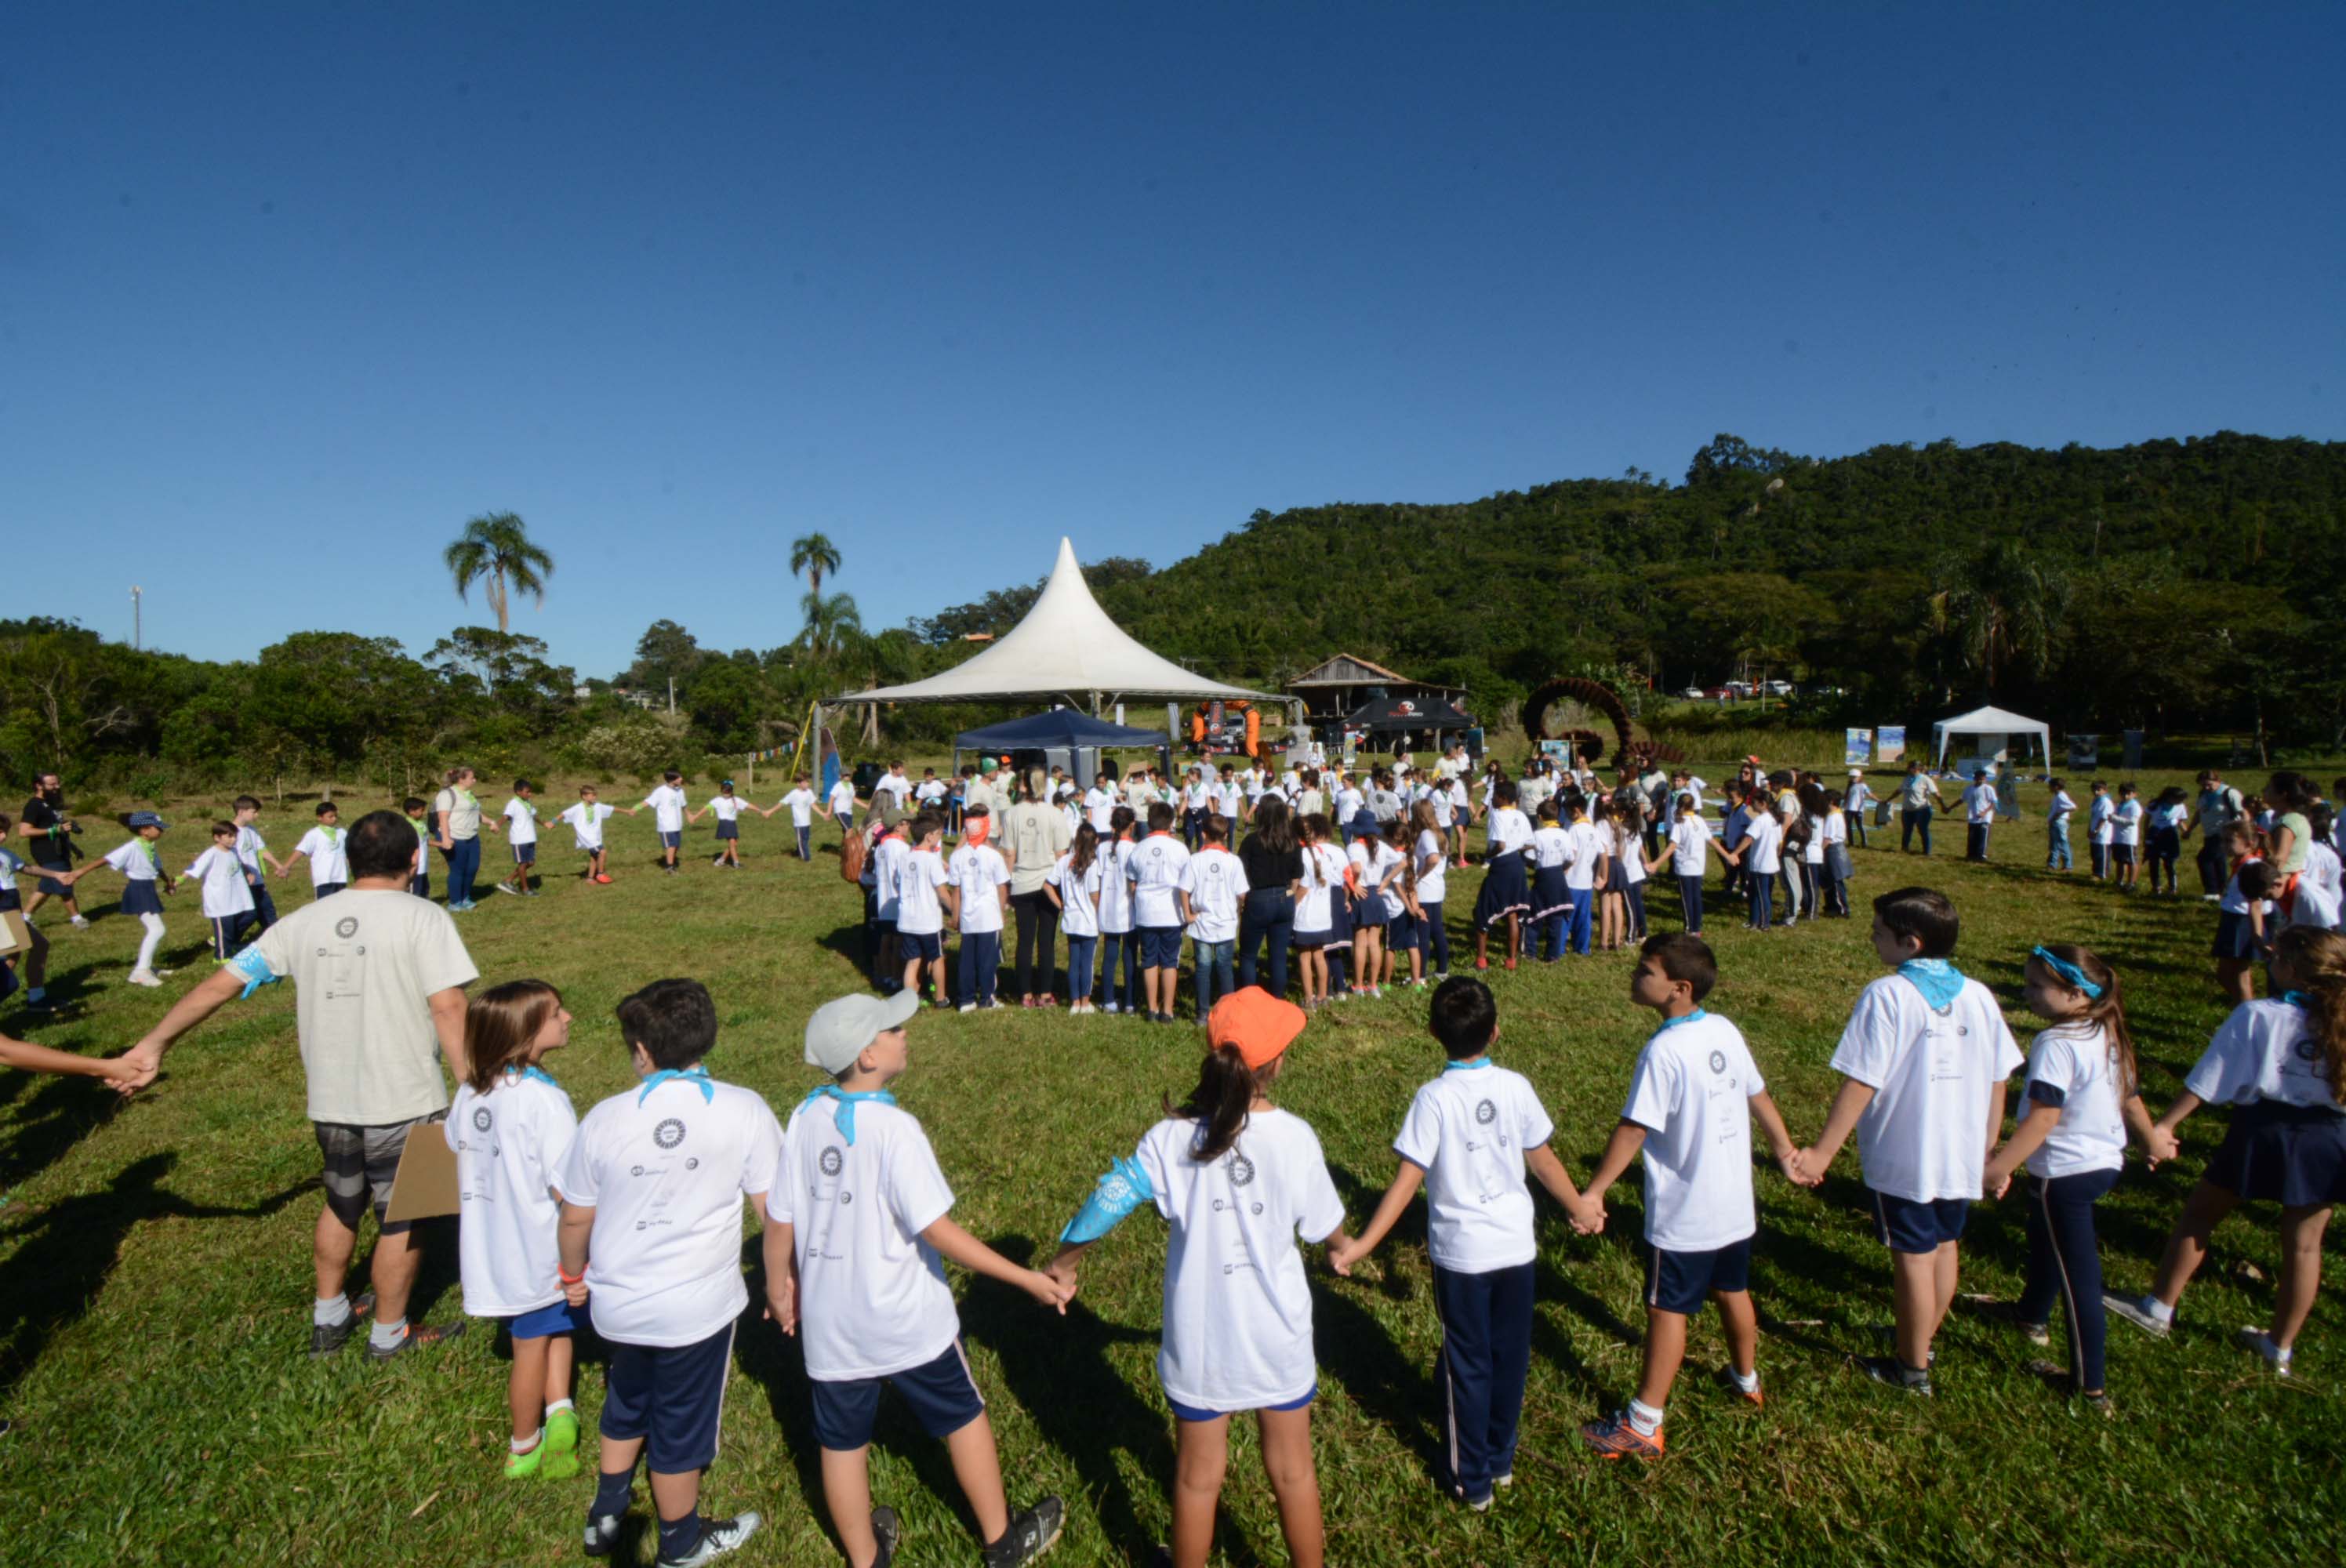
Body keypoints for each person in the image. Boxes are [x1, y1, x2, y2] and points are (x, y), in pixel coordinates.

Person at [118, 809, 477, 1358]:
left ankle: (329, 1316)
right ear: (414, 859)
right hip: (404, 1098)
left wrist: (154, 1043)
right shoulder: (423, 917)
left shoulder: (302, 920)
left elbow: (219, 986)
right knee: (404, 1215)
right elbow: (449, 1005)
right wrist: (472, 1082)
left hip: (329, 1100)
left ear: (350, 860)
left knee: (340, 1203)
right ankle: (389, 1334)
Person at [768, 992, 1070, 1568]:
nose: (905, 1031)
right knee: (962, 1414)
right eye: (892, 1028)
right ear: (867, 1058)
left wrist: (778, 1288)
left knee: (841, 1442)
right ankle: (1003, 1543)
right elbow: (939, 1233)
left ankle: (865, 1559)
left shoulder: (805, 1116)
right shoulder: (896, 1130)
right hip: (906, 1321)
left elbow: (780, 1218)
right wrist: (1026, 1280)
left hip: (833, 1328)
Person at [1047, 991, 1348, 1568]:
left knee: (1195, 1479)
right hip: (1278, 1337)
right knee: (1292, 1470)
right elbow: (1327, 1229)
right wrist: (1345, 1248)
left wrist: (1064, 1262)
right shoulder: (1296, 1138)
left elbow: (1110, 1198)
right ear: (1277, 1063)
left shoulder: (1170, 1139)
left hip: (1200, 1345)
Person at [1329, 978, 1592, 1501]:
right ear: (1495, 1032)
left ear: (1432, 1033)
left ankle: (1471, 1481)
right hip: (1517, 1250)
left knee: (1466, 1364)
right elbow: (1543, 1160)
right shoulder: (1516, 1087)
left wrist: (1361, 1245)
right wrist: (1579, 1205)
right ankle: (1500, 1459)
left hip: (1463, 1258)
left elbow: (1407, 1183)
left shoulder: (1433, 1099)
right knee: (1510, 1356)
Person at [556, 979, 775, 1565]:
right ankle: (681, 1541)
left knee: (626, 1399)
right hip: (696, 1312)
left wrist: (572, 1275)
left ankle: (606, 1513)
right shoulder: (744, 1108)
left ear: (644, 1053)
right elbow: (773, 1212)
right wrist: (783, 1282)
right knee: (680, 1425)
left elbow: (576, 1218)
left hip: (618, 1305)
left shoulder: (604, 1118)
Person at [1573, 936, 1809, 1457]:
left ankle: (1644, 1421)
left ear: (1678, 989)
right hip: (1734, 1208)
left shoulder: (1663, 1051)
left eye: (1645, 971)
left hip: (1685, 1216)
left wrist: (1593, 1190)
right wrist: (1785, 1149)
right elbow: (1757, 1094)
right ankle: (1747, 1380)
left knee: (1666, 1309)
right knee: (1733, 1290)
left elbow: (1634, 1129)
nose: (1635, 976)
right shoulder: (1723, 1029)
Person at [1792, 887, 2021, 1394]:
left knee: (1912, 1259)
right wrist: (1989, 1151)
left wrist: (1821, 1153)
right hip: (1960, 1154)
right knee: (1943, 1246)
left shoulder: (1886, 994)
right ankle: (1922, 1337)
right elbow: (1998, 1078)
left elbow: (1861, 1080)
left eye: (1878, 934)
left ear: (1910, 943)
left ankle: (1911, 1367)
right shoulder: (1979, 995)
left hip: (1907, 1156)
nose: (1872, 940)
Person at [2105, 925, 2346, 1379]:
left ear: (2292, 968)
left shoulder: (2259, 1015)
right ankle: (2280, 1348)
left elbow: (2208, 1078)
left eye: (2275, 958)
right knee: (2305, 1247)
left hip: (2262, 1129)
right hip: (2328, 1138)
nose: (2268, 962)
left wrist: (2166, 1125)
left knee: (2199, 1217)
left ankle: (2158, 1307)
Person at [1978, 946, 2163, 1413]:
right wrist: (2149, 1142)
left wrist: (1997, 1168)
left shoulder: (2055, 1044)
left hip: (2064, 1171)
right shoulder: (2105, 1029)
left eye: (2036, 986)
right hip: (2102, 1162)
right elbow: (2131, 1095)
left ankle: (2089, 1387)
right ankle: (2029, 1315)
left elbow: (2043, 1119)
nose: (2026, 993)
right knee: (2046, 1238)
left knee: (2079, 1277)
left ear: (2075, 992)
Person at [447, 979, 584, 1478]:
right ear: (523, 1037)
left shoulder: (469, 1092)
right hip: (538, 1250)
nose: (567, 1018)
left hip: (491, 1246)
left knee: (551, 1328)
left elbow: (452, 1142)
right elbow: (568, 1185)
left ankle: (560, 1409)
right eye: (555, 1014)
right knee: (529, 1346)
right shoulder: (543, 1101)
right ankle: (524, 1447)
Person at [59, 811, 176, 985]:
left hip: (147, 889)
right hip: (139, 890)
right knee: (157, 929)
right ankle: (140, 972)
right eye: (158, 828)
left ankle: (146, 967)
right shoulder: (132, 847)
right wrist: (79, 873)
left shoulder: (148, 845)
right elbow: (105, 860)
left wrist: (168, 882)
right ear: (144, 830)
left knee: (156, 929)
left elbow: (157, 867)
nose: (162, 831)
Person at [1003, 770, 1073, 1010]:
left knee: (1024, 940)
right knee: (1046, 941)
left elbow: (1009, 853)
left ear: (1023, 786)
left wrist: (1007, 884)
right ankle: (1045, 993)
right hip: (1049, 882)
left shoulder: (1012, 814)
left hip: (1022, 881)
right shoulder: (1055, 814)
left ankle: (1025, 994)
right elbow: (1061, 854)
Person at [1128, 802, 1193, 1025]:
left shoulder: (1139, 847)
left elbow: (1132, 884)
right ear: (1172, 822)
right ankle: (1168, 1010)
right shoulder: (1180, 848)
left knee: (1148, 960)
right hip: (1171, 912)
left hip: (1146, 911)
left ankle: (1152, 1008)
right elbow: (1188, 883)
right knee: (1169, 961)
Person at [1181, 815, 1248, 1022]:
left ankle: (1202, 1013)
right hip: (1225, 921)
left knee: (1203, 967)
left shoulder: (1195, 859)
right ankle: (1227, 1012)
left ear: (1203, 835)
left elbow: (1184, 889)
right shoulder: (1233, 861)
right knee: (1225, 967)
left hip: (1201, 920)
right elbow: (1242, 893)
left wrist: (1188, 914)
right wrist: (1238, 911)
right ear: (1227, 835)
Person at [1236, 797, 1304, 1000]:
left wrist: (1242, 902)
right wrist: (1290, 895)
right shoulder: (1292, 841)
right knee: (1278, 956)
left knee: (1248, 955)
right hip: (1284, 898)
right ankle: (1278, 999)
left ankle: (1249, 999)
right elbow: (1297, 876)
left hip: (1258, 898)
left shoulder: (1252, 841)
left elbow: (1241, 874)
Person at [948, 805, 1010, 1012]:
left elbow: (955, 890)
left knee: (966, 958)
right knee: (988, 959)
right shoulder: (994, 856)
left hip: (967, 914)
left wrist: (955, 915)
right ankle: (986, 997)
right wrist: (1002, 912)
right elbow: (1002, 887)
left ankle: (966, 999)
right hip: (989, 915)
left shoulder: (957, 856)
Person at [1044, 822, 1105, 1015]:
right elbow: (1095, 895)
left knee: (1073, 962)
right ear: (1095, 842)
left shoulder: (1065, 861)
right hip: (1088, 921)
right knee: (1087, 963)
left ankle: (1075, 1002)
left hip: (1071, 919)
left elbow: (1047, 885)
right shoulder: (1093, 864)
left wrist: (1061, 905)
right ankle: (1086, 1003)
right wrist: (1099, 912)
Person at [893, 814, 953, 1008]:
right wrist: (954, 911)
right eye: (938, 834)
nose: (939, 838)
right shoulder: (931, 860)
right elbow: (942, 892)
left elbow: (898, 883)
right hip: (928, 921)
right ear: (929, 836)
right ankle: (941, 998)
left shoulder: (904, 857)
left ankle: (909, 1002)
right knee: (937, 958)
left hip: (907, 919)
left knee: (913, 961)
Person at [1471, 780, 1531, 971]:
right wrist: (1516, 847)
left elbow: (1501, 845)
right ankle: (1511, 960)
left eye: (1494, 795)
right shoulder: (1520, 815)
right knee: (1512, 911)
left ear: (1503, 798)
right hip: (1517, 863)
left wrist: (1488, 855)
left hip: (1502, 864)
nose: (1492, 799)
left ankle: (1481, 960)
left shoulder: (1498, 815)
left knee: (1483, 911)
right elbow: (1530, 843)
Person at [16, 771, 87, 927]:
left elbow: (58, 829)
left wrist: (74, 847)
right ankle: (76, 918)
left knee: (47, 886)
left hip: (60, 850)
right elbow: (24, 831)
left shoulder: (50, 803)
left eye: (57, 783)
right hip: (47, 852)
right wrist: (53, 830)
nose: (57, 787)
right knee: (65, 882)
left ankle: (25, 918)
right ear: (39, 786)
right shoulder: (34, 805)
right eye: (52, 784)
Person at [1343, 813, 1399, 1000]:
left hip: (1362, 894)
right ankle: (1374, 984)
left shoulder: (1354, 847)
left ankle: (1358, 985)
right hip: (1376, 893)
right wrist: (1385, 882)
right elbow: (1403, 861)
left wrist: (1354, 884)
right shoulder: (1381, 846)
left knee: (1360, 943)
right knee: (1374, 943)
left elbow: (1356, 869)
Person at [0, 816, 53, 1009]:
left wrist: (57, 875)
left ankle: (33, 997)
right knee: (39, 945)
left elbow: (27, 868)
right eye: (0, 831)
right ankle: (36, 999)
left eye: (6, 831)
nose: (4, 836)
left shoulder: (5, 854)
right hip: (4, 912)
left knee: (14, 954)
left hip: (10, 911)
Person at [183, 822, 255, 961]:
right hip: (220, 899)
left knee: (251, 915)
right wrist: (178, 881)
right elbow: (194, 868)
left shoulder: (233, 851)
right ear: (217, 838)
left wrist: (248, 872)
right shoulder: (212, 853)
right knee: (225, 926)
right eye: (229, 836)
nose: (233, 839)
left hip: (237, 896)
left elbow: (240, 863)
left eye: (235, 836)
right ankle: (222, 956)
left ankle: (228, 942)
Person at [1095, 807, 1140, 1015]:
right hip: (1128, 908)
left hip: (1107, 907)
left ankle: (1108, 1000)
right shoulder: (1134, 849)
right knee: (1129, 955)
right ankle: (1130, 1002)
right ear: (1132, 825)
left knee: (1110, 955)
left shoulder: (1102, 848)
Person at [1650, 791, 1712, 936]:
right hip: (1698, 866)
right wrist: (1728, 855)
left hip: (1684, 867)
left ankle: (1690, 928)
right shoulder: (1700, 820)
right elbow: (1712, 840)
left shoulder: (1680, 823)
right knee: (1696, 896)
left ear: (1679, 806)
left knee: (1687, 898)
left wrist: (1656, 864)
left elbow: (1672, 846)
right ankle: (1697, 927)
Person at [434, 765, 495, 911]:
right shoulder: (447, 795)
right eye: (471, 778)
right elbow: (443, 817)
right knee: (458, 869)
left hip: (472, 837)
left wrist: (491, 822)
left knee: (472, 868)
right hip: (455, 837)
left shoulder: (469, 794)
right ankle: (455, 902)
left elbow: (475, 813)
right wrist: (446, 839)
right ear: (461, 779)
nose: (474, 780)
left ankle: (465, 897)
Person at [1722, 789, 1783, 933]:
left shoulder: (1761, 820)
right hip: (1769, 863)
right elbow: (1780, 843)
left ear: (1762, 804)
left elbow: (1748, 838)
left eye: (1753, 803)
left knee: (1762, 895)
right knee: (1755, 893)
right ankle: (1754, 921)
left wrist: (1735, 853)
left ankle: (1765, 924)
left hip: (1762, 864)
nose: (1751, 806)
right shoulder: (1775, 820)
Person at [1407, 799, 1451, 981]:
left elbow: (1432, 858)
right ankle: (1442, 969)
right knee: (1437, 930)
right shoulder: (1440, 833)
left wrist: (1419, 875)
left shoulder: (1426, 834)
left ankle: (1421, 975)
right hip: (1437, 888)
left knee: (1423, 934)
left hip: (1425, 889)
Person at [229, 794, 279, 942]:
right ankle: (226, 938)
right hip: (243, 880)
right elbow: (233, 856)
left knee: (268, 910)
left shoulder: (251, 830)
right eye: (253, 812)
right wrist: (246, 871)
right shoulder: (231, 832)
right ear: (241, 812)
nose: (256, 815)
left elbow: (261, 850)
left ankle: (275, 939)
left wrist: (278, 865)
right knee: (250, 913)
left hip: (257, 879)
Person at [2189, 770, 2247, 896]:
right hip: (2209, 833)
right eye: (2203, 785)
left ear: (2218, 781)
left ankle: (2211, 891)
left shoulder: (2229, 793)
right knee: (2218, 861)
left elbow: (2243, 813)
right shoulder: (2203, 795)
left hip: (2225, 833)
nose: (2206, 787)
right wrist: (2190, 829)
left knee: (2204, 859)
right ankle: (2223, 889)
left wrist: (2245, 831)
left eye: (2209, 784)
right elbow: (2199, 813)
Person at [558, 786, 630, 884]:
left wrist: (627, 811)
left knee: (594, 857)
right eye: (593, 795)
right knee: (602, 852)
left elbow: (612, 809)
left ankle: (590, 878)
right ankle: (600, 874)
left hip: (595, 836)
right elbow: (563, 814)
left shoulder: (597, 806)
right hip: (586, 837)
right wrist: (552, 822)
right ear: (584, 796)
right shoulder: (578, 808)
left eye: (595, 795)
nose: (595, 797)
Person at [689, 780, 752, 869]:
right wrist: (695, 816)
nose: (726, 794)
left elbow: (748, 805)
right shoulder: (717, 800)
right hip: (725, 823)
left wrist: (761, 811)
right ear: (721, 791)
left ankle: (721, 860)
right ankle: (736, 863)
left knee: (733, 844)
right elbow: (706, 808)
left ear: (731, 791)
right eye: (724, 792)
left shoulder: (736, 800)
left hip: (732, 823)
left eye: (728, 792)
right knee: (732, 843)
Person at [641, 770, 690, 877]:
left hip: (677, 824)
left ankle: (670, 862)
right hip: (666, 826)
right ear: (672, 779)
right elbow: (647, 802)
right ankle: (670, 867)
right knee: (671, 846)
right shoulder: (660, 791)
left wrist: (689, 815)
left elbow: (683, 805)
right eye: (679, 777)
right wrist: (634, 809)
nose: (681, 779)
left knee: (676, 846)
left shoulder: (680, 791)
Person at [498, 779, 542, 895]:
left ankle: (508, 881)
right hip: (519, 839)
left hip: (530, 837)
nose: (530, 794)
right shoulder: (513, 803)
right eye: (527, 792)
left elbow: (534, 815)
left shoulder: (528, 802)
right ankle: (525, 889)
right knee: (522, 864)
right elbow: (506, 816)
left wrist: (544, 823)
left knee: (531, 863)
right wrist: (497, 826)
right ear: (518, 792)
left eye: (530, 792)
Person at [2144, 786, 2189, 895]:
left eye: (2181, 800)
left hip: (2170, 835)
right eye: (2177, 799)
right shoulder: (2155, 804)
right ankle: (2156, 887)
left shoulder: (2180, 806)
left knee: (2169, 862)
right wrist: (2146, 835)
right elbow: (2147, 820)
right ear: (2169, 796)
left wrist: (2186, 831)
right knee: (2153, 861)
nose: (2179, 802)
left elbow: (2180, 821)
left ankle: (2172, 888)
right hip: (2155, 833)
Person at [770, 774, 820, 861]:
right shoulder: (794, 794)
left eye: (807, 782)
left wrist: (823, 814)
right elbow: (782, 803)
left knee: (805, 839)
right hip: (799, 823)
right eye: (804, 782)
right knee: (803, 842)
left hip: (807, 822)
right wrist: (770, 811)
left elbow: (813, 805)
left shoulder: (809, 792)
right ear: (798, 784)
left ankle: (798, 852)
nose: (807, 784)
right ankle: (806, 859)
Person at [1898, 761, 1942, 856]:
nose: (1908, 769)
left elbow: (1935, 793)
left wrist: (1943, 806)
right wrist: (1887, 800)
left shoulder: (1925, 779)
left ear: (1916, 768)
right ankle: (1904, 849)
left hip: (1922, 810)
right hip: (1907, 810)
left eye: (1910, 767)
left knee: (1923, 830)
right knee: (1907, 830)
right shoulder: (1907, 779)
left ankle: (1926, 851)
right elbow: (1899, 791)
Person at [1962, 769, 1996, 862]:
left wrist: (1985, 812)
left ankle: (1981, 855)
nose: (1980, 781)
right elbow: (1962, 799)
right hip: (1973, 817)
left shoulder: (1988, 788)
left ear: (1985, 779)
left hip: (1984, 818)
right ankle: (1971, 854)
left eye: (1982, 779)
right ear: (1974, 778)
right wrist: (1949, 808)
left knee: (1982, 838)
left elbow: (1994, 802)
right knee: (1972, 837)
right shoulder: (1969, 789)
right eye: (1978, 779)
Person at [403, 797, 434, 897]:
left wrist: (441, 844)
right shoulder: (406, 826)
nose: (423, 813)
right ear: (411, 811)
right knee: (415, 892)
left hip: (423, 865)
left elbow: (425, 841)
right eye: (421, 810)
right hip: (415, 866)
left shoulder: (421, 824)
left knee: (425, 889)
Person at [2045, 777, 2076, 873]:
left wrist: (2058, 814)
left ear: (2057, 787)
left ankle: (2068, 866)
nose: (2049, 788)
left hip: (2060, 823)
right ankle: (2052, 864)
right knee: (2054, 844)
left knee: (2063, 843)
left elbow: (2072, 807)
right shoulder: (2057, 795)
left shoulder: (2061, 796)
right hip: (2055, 823)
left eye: (2050, 786)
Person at [2086, 781, 2114, 881]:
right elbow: (2093, 816)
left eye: (2099, 790)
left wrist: (2097, 830)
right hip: (2094, 831)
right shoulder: (2096, 800)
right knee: (2095, 854)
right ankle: (2095, 872)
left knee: (2102, 854)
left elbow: (2104, 818)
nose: (2096, 792)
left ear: (2105, 790)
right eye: (2094, 790)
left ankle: (2102, 874)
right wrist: (2090, 829)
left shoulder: (2105, 802)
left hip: (2103, 832)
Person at [1845, 769, 1874, 850]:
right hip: (1848, 809)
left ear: (1859, 777)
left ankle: (1864, 843)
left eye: (1854, 777)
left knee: (1860, 826)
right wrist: (1844, 805)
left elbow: (1870, 794)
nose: (1852, 778)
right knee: (1848, 826)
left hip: (1858, 810)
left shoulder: (1863, 785)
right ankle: (1851, 843)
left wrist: (1879, 801)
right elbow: (1846, 796)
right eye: (1851, 777)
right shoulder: (1850, 785)